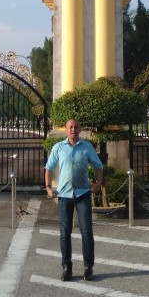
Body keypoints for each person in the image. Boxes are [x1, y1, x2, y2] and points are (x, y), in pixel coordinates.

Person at [44, 119, 104, 282]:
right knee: (65, 233)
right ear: (66, 130)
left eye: (76, 127)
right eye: (70, 127)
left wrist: (98, 183)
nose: (73, 130)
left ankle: (88, 267)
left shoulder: (86, 147)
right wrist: (49, 187)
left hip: (83, 193)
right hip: (64, 195)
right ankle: (66, 266)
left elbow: (98, 165)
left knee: (86, 231)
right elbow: (48, 167)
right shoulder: (59, 147)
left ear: (79, 129)